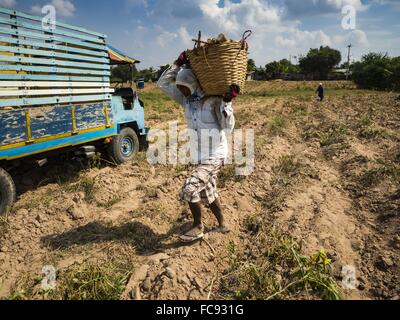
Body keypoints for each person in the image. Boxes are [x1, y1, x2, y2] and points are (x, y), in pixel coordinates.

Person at [157, 51, 239, 242]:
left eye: (183, 87)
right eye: (179, 87)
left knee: (189, 189)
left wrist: (227, 104)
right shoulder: (186, 100)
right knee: (208, 192)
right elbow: (161, 84)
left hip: (216, 155)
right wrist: (177, 64)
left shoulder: (213, 101)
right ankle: (223, 224)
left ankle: (198, 226)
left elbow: (228, 127)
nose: (181, 91)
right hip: (200, 157)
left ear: (193, 84)